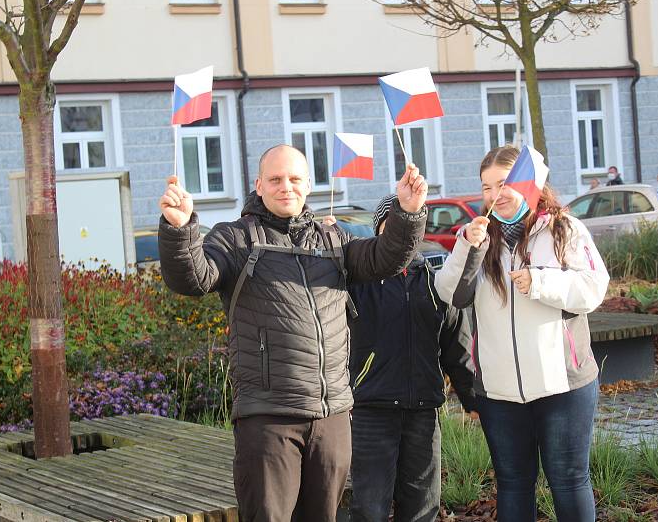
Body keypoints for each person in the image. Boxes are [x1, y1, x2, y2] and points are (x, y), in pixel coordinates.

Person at [157, 144, 428, 522]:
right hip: (268, 417)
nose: (287, 187)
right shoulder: (235, 239)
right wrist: (180, 228)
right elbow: (192, 278)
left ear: (308, 184)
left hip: (331, 413)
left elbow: (385, 257)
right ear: (259, 185)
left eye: (295, 179)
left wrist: (408, 213)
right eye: (276, 179)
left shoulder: (334, 241)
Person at [434, 146, 609, 522]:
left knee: (569, 480)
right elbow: (450, 294)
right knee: (513, 483)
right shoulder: (478, 238)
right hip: (499, 392)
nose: (497, 194)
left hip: (563, 386)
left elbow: (594, 289)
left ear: (531, 185)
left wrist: (541, 282)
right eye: (487, 187)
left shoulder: (564, 229)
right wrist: (467, 246)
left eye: (505, 183)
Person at [326, 195, 476, 522]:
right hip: (371, 410)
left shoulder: (436, 282)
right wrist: (329, 245)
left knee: (422, 507)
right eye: (392, 225)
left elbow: (457, 347)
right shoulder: (357, 281)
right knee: (370, 508)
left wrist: (473, 399)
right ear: (379, 230)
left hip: (423, 410)